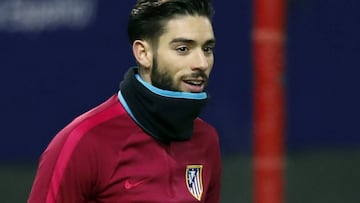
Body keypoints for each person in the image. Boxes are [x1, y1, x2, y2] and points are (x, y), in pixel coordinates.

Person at [28, 0, 221, 202]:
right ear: (143, 53)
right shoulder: (82, 142)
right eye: (183, 49)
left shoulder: (206, 140)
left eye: (207, 49)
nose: (201, 63)